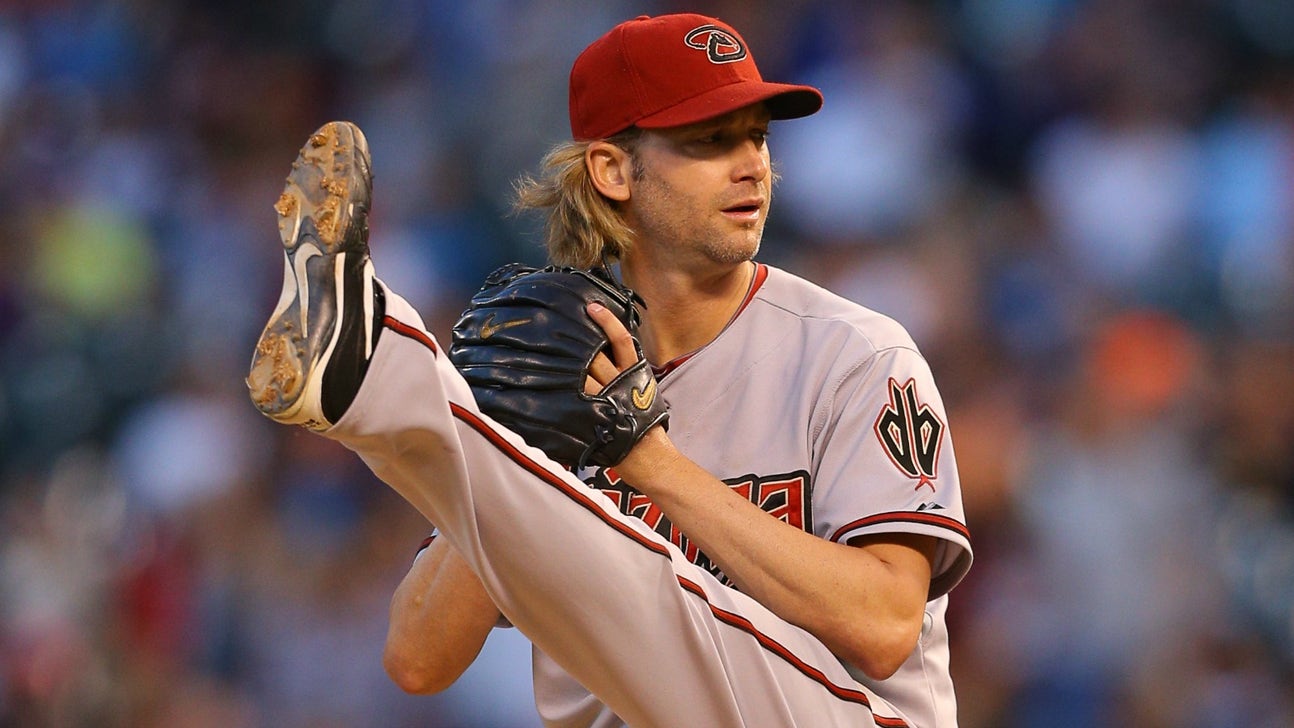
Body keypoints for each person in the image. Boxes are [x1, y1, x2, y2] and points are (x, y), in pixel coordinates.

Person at [248, 13, 971, 728]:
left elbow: (883, 628)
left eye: (756, 135)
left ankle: (376, 359)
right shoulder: (560, 371)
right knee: (581, 521)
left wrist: (647, 462)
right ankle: (364, 367)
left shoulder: (854, 354)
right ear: (612, 169)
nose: (751, 163)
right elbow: (418, 660)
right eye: (711, 141)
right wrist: (525, 450)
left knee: (660, 579)